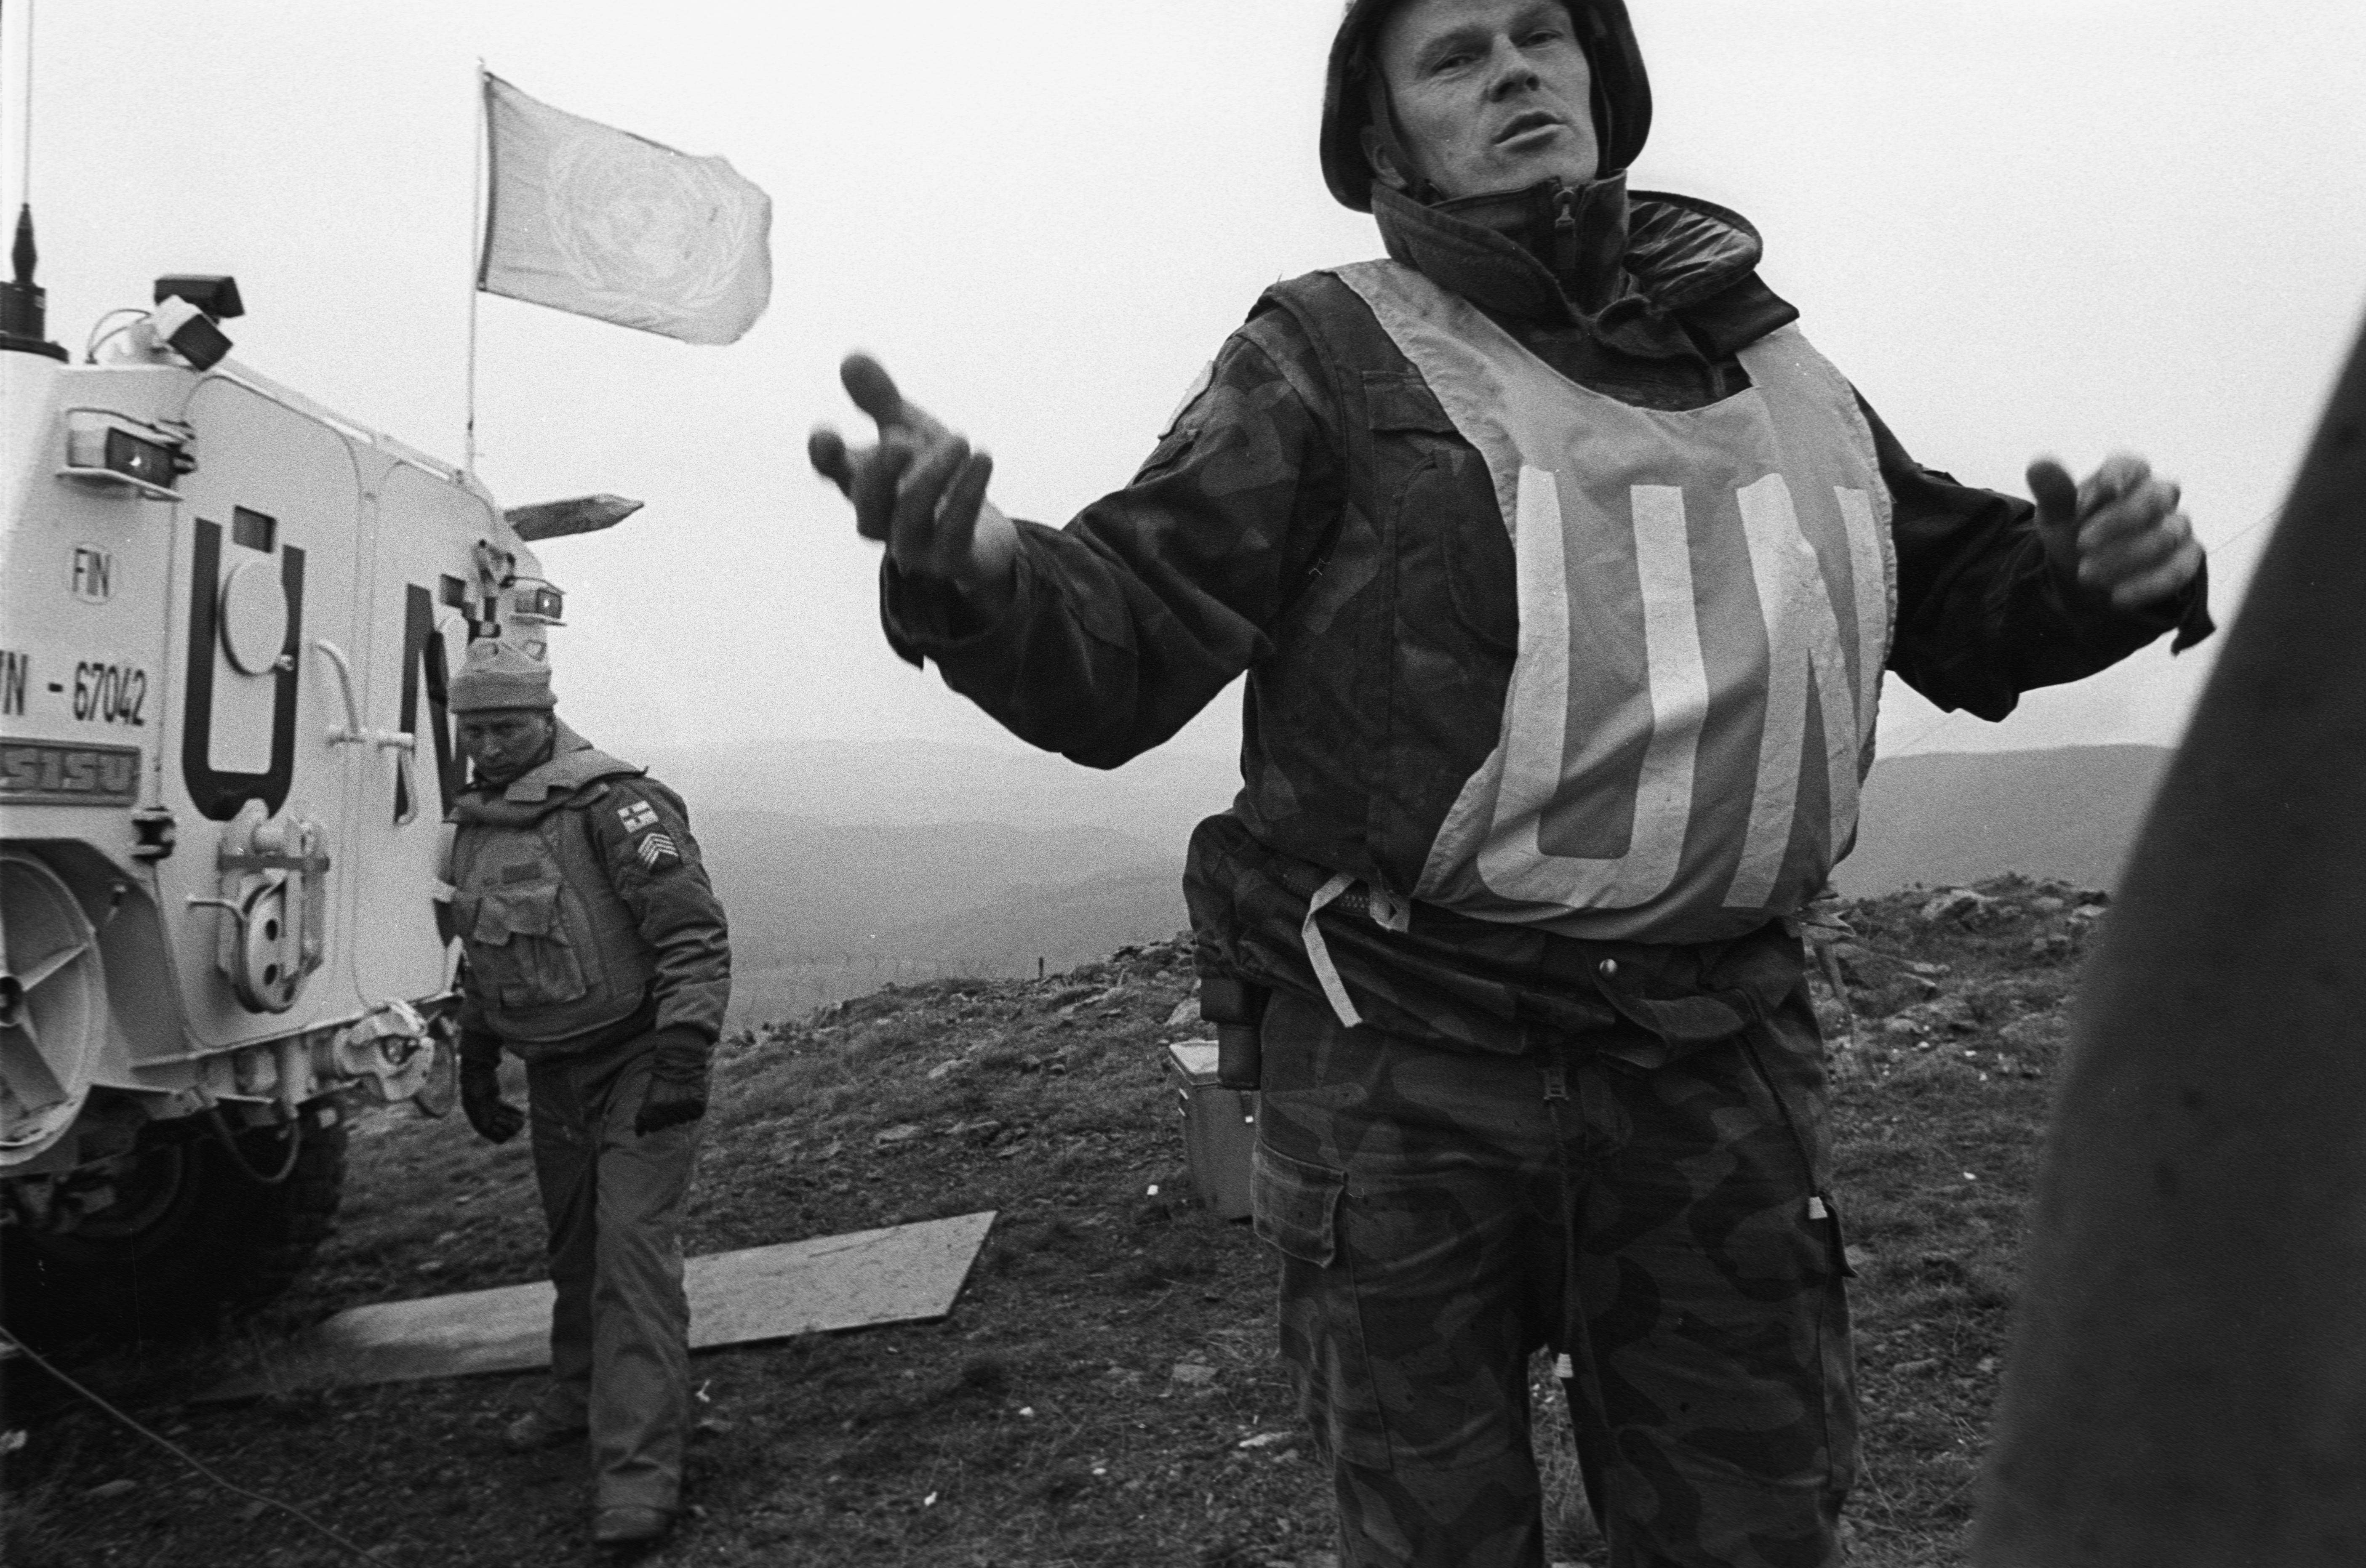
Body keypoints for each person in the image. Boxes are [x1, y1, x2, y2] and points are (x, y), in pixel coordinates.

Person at [807, 2, 2209, 1562]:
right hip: (1411, 1064)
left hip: (1714, 1062)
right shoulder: (1325, 356)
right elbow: (1124, 636)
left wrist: (2091, 578)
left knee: (1750, 1531)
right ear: (1383, 136)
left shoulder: (1771, 358)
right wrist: (978, 568)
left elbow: (1947, 588)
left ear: (1606, 79)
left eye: (1544, 34)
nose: (1517, 72)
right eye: (1456, 55)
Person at [444, 639, 731, 1553]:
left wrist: (683, 1056)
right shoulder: (483, 821)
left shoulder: (618, 804)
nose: (489, 746)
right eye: (474, 730)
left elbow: (692, 935)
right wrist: (478, 1057)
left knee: (630, 1258)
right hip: (553, 1071)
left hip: (641, 1059)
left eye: (507, 727)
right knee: (573, 1250)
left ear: (548, 714)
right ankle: (578, 1394)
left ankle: (639, 1476)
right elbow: (489, 950)